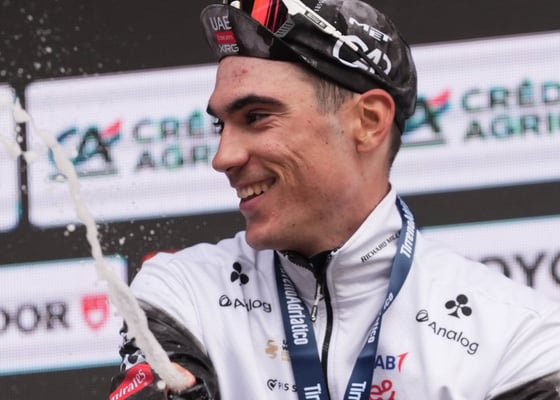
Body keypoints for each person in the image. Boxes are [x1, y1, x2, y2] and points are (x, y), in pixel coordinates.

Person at [110, 0, 560, 399]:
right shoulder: (183, 292)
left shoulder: (518, 337)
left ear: (369, 121)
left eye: (257, 116)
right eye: (220, 126)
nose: (223, 157)